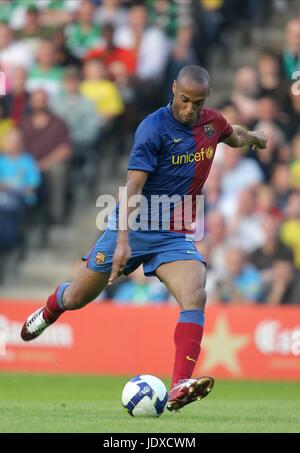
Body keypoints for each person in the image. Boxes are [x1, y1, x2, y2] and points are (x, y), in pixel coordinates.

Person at [21, 65, 267, 412]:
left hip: (172, 232)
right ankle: (52, 307)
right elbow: (133, 188)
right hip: (132, 226)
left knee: (195, 292)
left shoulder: (212, 122)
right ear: (173, 89)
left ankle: (181, 382)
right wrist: (122, 241)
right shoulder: (153, 128)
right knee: (78, 297)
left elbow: (233, 135)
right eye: (183, 100)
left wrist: (254, 137)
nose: (189, 109)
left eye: (196, 103)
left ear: (205, 99)